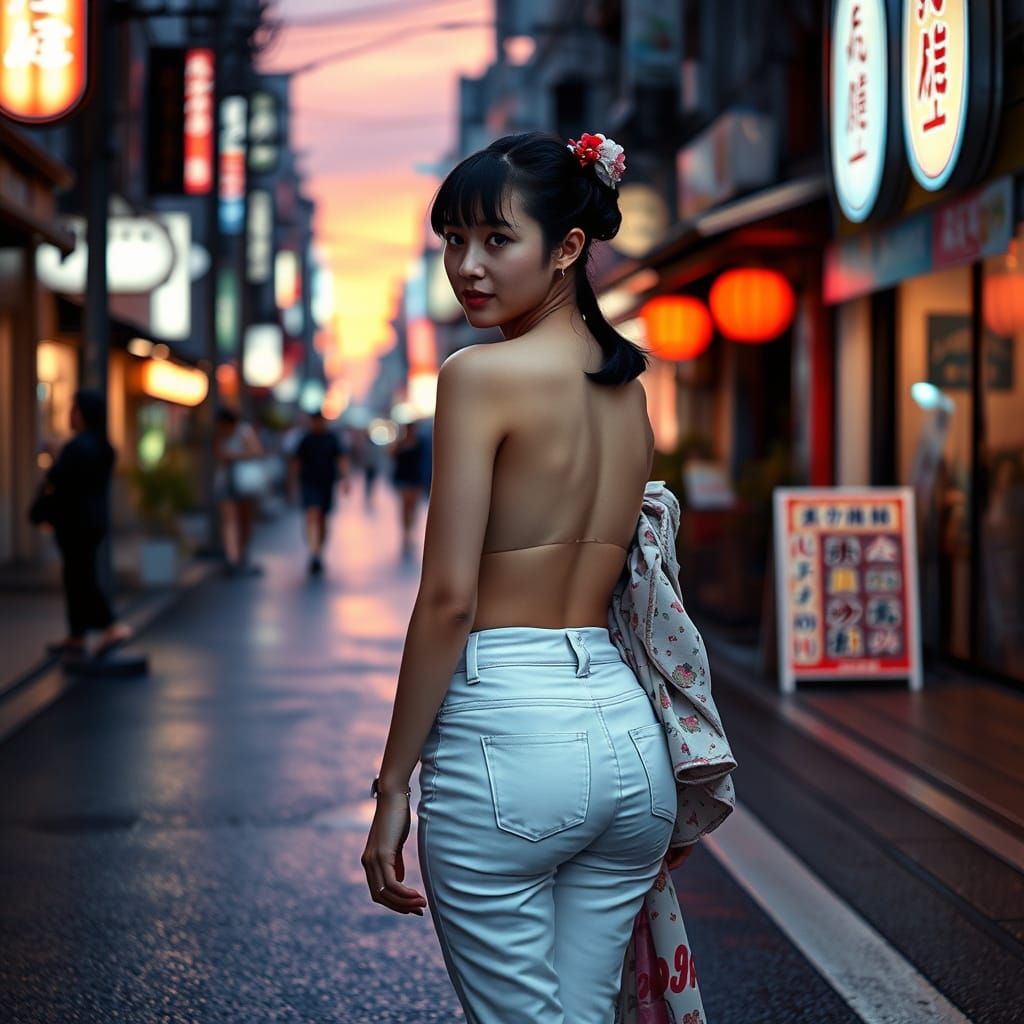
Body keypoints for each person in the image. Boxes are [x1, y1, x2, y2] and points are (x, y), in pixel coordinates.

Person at [362, 131, 698, 1022]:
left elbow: (447, 602)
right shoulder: (626, 392)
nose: (466, 267)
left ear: (568, 249)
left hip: (509, 739)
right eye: (452, 241)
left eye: (495, 241)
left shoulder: (481, 377)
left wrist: (393, 785)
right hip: (629, 746)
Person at [34, 389, 131, 657]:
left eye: (74, 409)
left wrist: (56, 460)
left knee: (79, 576)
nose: (70, 415)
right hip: (93, 519)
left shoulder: (77, 447)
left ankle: (108, 625)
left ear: (84, 413)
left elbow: (60, 481)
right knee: (79, 574)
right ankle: (77, 634)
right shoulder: (104, 446)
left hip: (74, 521)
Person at [289, 409, 351, 575]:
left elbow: (341, 459)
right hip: (309, 483)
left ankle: (318, 551)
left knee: (322, 519)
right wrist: (293, 483)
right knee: (312, 514)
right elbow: (296, 462)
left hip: (326, 484)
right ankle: (313, 551)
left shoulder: (332, 439)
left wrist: (345, 479)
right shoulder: (305, 440)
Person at [213, 407, 264, 575]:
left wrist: (233, 456)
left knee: (244, 520)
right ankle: (232, 556)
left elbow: (256, 451)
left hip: (244, 481)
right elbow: (218, 454)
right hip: (226, 480)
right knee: (229, 519)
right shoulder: (219, 434)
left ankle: (241, 554)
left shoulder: (244, 431)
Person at [390, 420, 429, 558]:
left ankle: (410, 530)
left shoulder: (420, 443)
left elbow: (426, 460)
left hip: (416, 478)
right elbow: (391, 455)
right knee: (405, 506)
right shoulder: (400, 443)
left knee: (413, 506)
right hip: (403, 478)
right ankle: (406, 532)